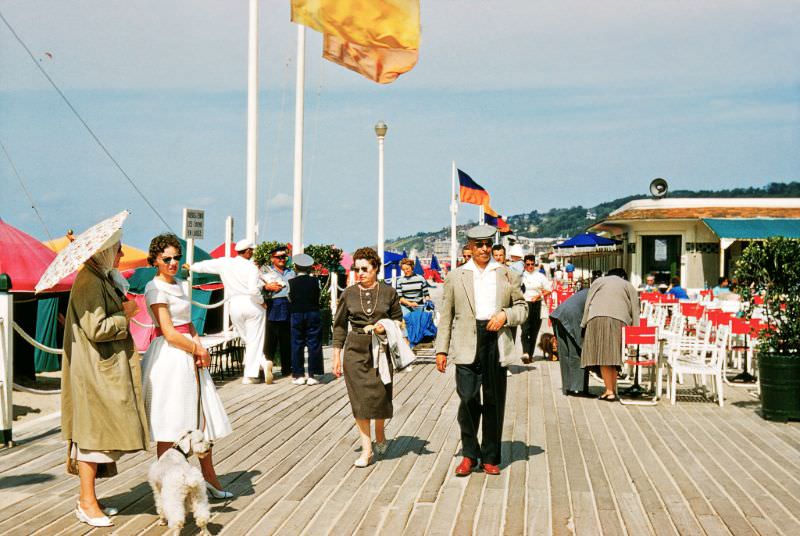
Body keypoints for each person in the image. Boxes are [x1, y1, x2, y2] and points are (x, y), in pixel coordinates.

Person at [62, 234, 149, 528]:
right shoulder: (89, 280)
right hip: (94, 371)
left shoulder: (100, 277)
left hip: (100, 369)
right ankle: (85, 501)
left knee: (99, 433)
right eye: (118, 248)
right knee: (93, 436)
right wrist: (126, 315)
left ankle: (90, 499)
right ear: (105, 251)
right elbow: (96, 328)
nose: (122, 253)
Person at [141, 233, 234, 499]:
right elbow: (169, 332)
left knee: (201, 420)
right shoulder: (154, 289)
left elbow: (189, 323)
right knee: (169, 423)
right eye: (166, 259)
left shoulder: (182, 284)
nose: (172, 263)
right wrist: (198, 348)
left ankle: (210, 479)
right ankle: (167, 487)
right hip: (169, 357)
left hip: (190, 352)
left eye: (176, 258)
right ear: (155, 261)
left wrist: (198, 347)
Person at [435, 225, 528, 476]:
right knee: (467, 399)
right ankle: (469, 454)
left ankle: (490, 457)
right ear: (470, 248)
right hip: (466, 342)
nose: (484, 249)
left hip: (495, 341)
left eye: (488, 244)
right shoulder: (456, 277)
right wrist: (441, 349)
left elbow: (523, 308)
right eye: (479, 245)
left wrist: (505, 315)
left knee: (494, 401)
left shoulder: (507, 275)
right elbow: (447, 316)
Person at [332, 247, 402, 467]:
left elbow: (399, 321)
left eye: (365, 269)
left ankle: (380, 432)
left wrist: (385, 326)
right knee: (360, 401)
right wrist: (336, 356)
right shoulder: (348, 294)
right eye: (357, 269)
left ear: (376, 269)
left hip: (381, 349)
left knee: (381, 395)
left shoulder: (389, 292)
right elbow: (339, 327)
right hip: (355, 351)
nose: (360, 273)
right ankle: (367, 449)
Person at [186, 238, 272, 384]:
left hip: (234, 305)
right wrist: (262, 302)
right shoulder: (251, 268)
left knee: (248, 340)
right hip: (251, 304)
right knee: (254, 340)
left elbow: (206, 266)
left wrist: (191, 267)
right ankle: (251, 374)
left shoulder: (225, 263)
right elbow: (253, 290)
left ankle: (261, 364)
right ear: (248, 251)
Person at [580, 268, 640, 402]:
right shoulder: (628, 285)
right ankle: (610, 389)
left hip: (596, 318)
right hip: (619, 320)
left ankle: (610, 391)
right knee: (612, 356)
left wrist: (584, 323)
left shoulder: (599, 281)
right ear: (623, 277)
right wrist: (635, 332)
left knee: (604, 356)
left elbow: (588, 302)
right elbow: (635, 310)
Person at [288, 253, 324, 385]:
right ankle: (313, 375)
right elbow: (318, 296)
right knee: (314, 343)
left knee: (297, 343)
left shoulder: (290, 282)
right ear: (309, 267)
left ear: (296, 267)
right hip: (313, 312)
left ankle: (298, 375)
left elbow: (289, 298)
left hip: (296, 313)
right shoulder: (316, 281)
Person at [550, 288, 591, 396]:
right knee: (577, 351)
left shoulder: (588, 290)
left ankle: (567, 387)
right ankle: (578, 389)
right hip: (571, 316)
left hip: (559, 314)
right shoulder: (598, 293)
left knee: (564, 353)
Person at [262, 246, 295, 378]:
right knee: (269, 340)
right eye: (279, 257)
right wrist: (266, 286)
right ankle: (266, 368)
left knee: (287, 339)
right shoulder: (265, 272)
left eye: (284, 257)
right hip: (272, 305)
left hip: (288, 305)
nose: (282, 259)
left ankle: (287, 368)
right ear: (272, 258)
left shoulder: (291, 272)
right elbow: (258, 287)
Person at [520, 254, 552, 362]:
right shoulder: (521, 276)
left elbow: (549, 289)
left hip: (537, 304)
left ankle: (530, 354)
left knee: (534, 331)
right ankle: (525, 352)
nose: (530, 266)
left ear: (535, 264)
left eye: (532, 264)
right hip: (525, 304)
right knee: (525, 330)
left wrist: (539, 296)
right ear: (524, 264)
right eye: (528, 264)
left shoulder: (540, 276)